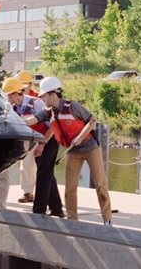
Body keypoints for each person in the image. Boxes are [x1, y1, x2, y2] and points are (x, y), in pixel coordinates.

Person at [23, 77, 112, 226]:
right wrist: (15, 119)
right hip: (73, 152)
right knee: (70, 188)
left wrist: (80, 137)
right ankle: (72, 221)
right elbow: (32, 120)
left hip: (90, 148)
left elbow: (92, 121)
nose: (42, 99)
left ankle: (107, 219)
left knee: (100, 185)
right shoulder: (48, 112)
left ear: (52, 94)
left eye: (44, 96)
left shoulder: (73, 106)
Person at [2, 77, 64, 217]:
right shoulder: (13, 108)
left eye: (7, 95)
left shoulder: (36, 103)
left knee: (42, 174)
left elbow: (52, 127)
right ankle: (57, 209)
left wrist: (43, 144)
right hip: (36, 141)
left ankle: (38, 211)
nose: (7, 99)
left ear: (13, 94)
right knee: (47, 174)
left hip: (49, 139)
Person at [12, 71, 37, 203]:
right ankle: (28, 192)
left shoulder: (37, 99)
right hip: (25, 137)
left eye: (24, 85)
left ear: (30, 85)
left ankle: (43, 193)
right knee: (26, 165)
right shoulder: (14, 101)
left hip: (39, 137)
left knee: (39, 167)